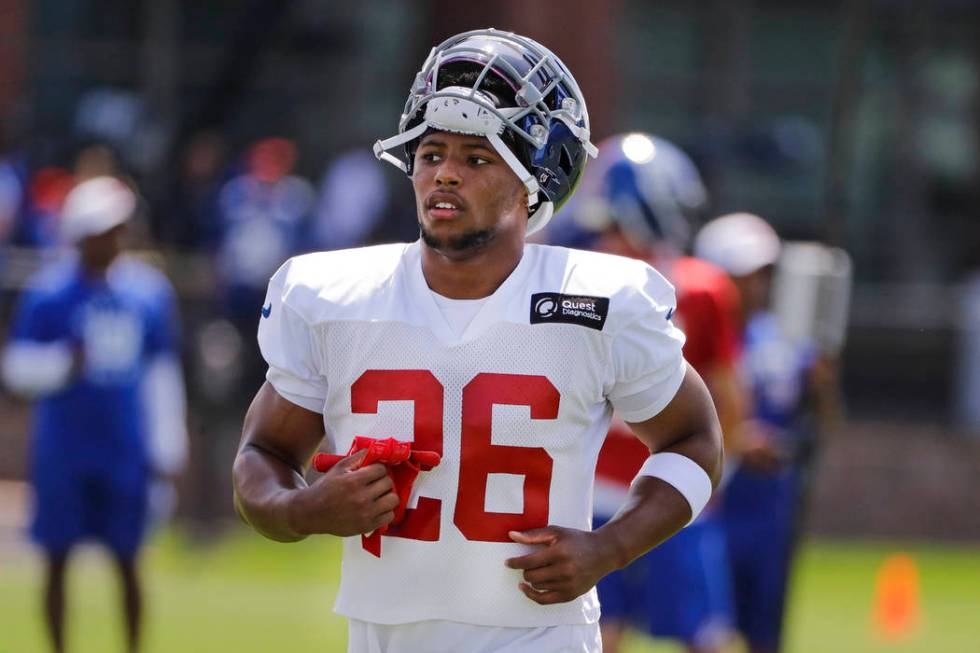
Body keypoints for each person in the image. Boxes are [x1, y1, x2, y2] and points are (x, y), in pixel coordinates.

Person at [232, 29, 724, 653]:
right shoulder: (332, 296)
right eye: (431, 153)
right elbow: (262, 455)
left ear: (530, 182)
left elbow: (696, 438)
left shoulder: (599, 301)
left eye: (477, 158)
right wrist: (305, 510)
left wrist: (610, 546)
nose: (445, 175)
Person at [563, 133, 744, 653]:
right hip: (655, 484)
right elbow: (729, 398)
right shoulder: (699, 285)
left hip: (595, 487)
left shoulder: (566, 279)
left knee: (604, 630)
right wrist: (712, 477)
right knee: (627, 630)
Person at [1, 176, 184, 653]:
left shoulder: (148, 292)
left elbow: (161, 374)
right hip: (64, 447)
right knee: (57, 558)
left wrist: (169, 446)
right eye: (105, 229)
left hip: (125, 446)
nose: (115, 239)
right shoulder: (48, 293)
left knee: (128, 559)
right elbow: (17, 368)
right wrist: (64, 363)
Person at [694, 213, 834, 653]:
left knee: (765, 631)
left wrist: (822, 386)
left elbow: (822, 420)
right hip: (714, 505)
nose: (757, 287)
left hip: (770, 506)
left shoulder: (784, 342)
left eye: (763, 275)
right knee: (705, 630)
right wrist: (737, 440)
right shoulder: (682, 338)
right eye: (745, 276)